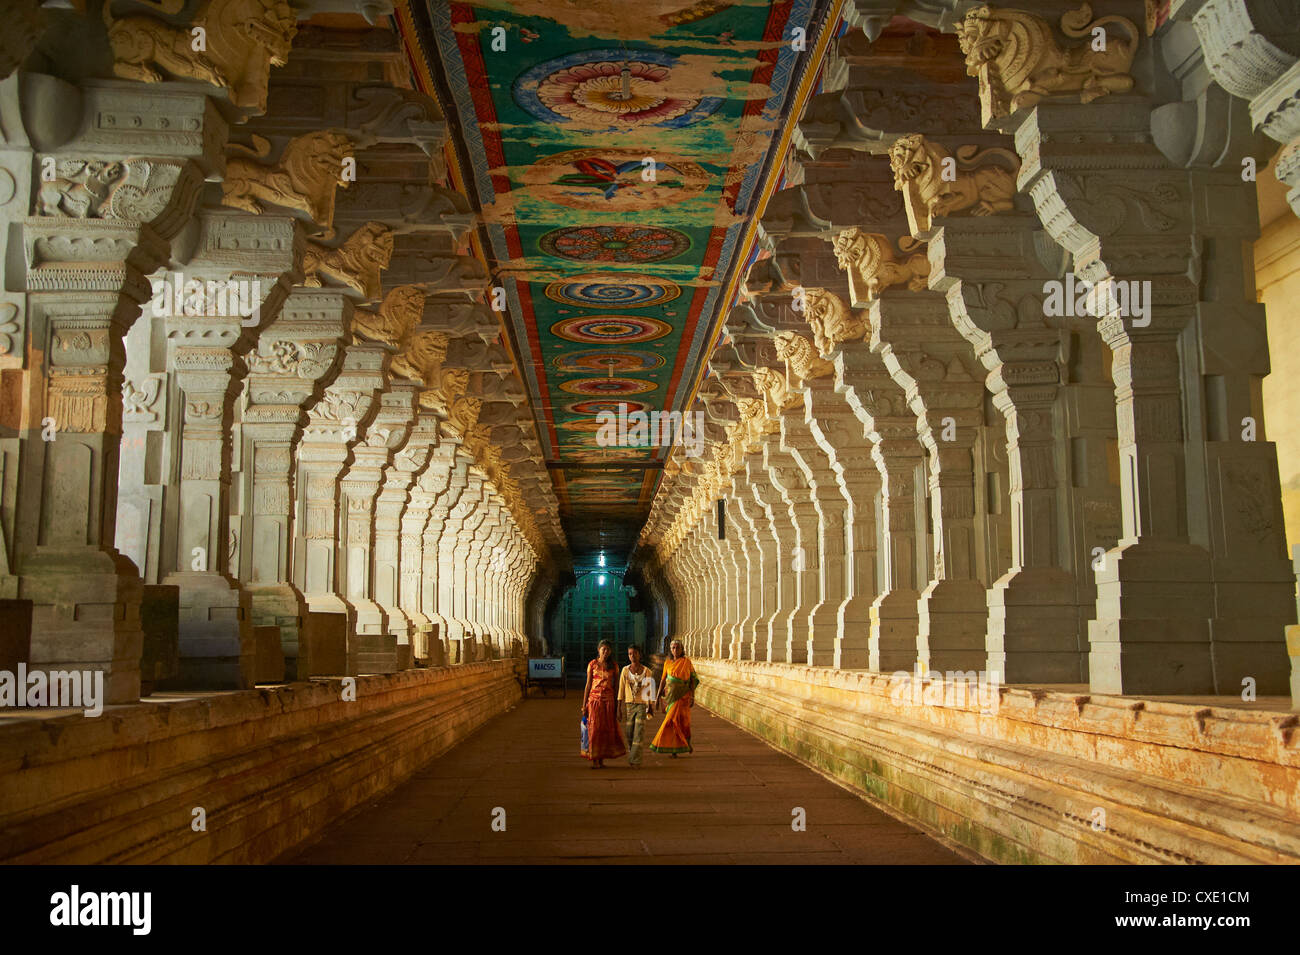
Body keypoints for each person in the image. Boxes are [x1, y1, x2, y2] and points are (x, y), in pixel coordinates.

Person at [581, 639, 627, 768]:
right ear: (598, 650)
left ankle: (602, 759)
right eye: (603, 649)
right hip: (594, 701)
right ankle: (595, 758)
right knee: (594, 729)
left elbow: (617, 686)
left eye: (607, 650)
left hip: (609, 701)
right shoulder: (592, 664)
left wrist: (618, 706)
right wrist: (584, 705)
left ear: (610, 651)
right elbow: (588, 685)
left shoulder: (614, 666)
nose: (605, 652)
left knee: (606, 731)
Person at [650, 638, 699, 757]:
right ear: (670, 650)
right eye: (673, 648)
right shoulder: (668, 663)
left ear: (682, 649)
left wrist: (692, 696)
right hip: (670, 696)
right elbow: (662, 680)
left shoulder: (686, 662)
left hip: (683, 696)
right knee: (671, 721)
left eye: (678, 648)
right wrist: (657, 697)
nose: (675, 650)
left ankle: (684, 744)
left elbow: (692, 680)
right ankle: (673, 748)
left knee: (682, 722)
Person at [617, 645, 657, 768]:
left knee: (639, 732)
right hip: (629, 705)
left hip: (642, 705)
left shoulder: (647, 671)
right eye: (630, 654)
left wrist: (650, 706)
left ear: (640, 654)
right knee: (629, 733)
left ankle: (635, 760)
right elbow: (621, 689)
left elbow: (650, 691)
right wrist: (619, 708)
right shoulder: (625, 670)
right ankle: (632, 751)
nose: (632, 656)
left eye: (634, 653)